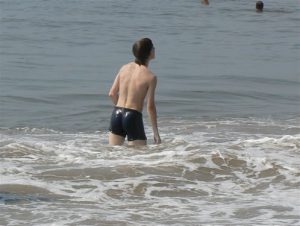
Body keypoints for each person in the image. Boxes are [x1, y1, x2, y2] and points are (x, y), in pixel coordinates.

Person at [108, 38, 161, 146]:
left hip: (117, 114)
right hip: (133, 116)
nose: (154, 49)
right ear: (149, 52)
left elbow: (112, 94)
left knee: (113, 157)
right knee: (138, 160)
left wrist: (121, 109)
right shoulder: (151, 77)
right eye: (153, 47)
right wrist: (156, 133)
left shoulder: (124, 68)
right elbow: (150, 107)